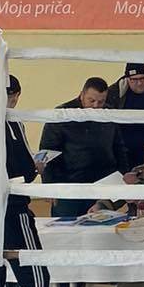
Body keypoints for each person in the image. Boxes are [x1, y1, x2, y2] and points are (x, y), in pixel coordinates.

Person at [0, 74, 50, 287]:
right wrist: (35, 168)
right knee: (37, 279)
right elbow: (24, 168)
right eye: (11, 97)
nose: (13, 102)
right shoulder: (12, 121)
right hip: (13, 208)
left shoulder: (12, 122)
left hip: (0, 207)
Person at [39, 76, 127, 219]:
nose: (96, 106)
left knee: (101, 230)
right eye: (91, 100)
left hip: (102, 184)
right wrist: (49, 186)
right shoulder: (62, 114)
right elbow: (47, 151)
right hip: (68, 185)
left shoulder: (109, 113)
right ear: (81, 95)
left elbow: (119, 148)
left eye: (101, 101)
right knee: (65, 229)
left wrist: (122, 174)